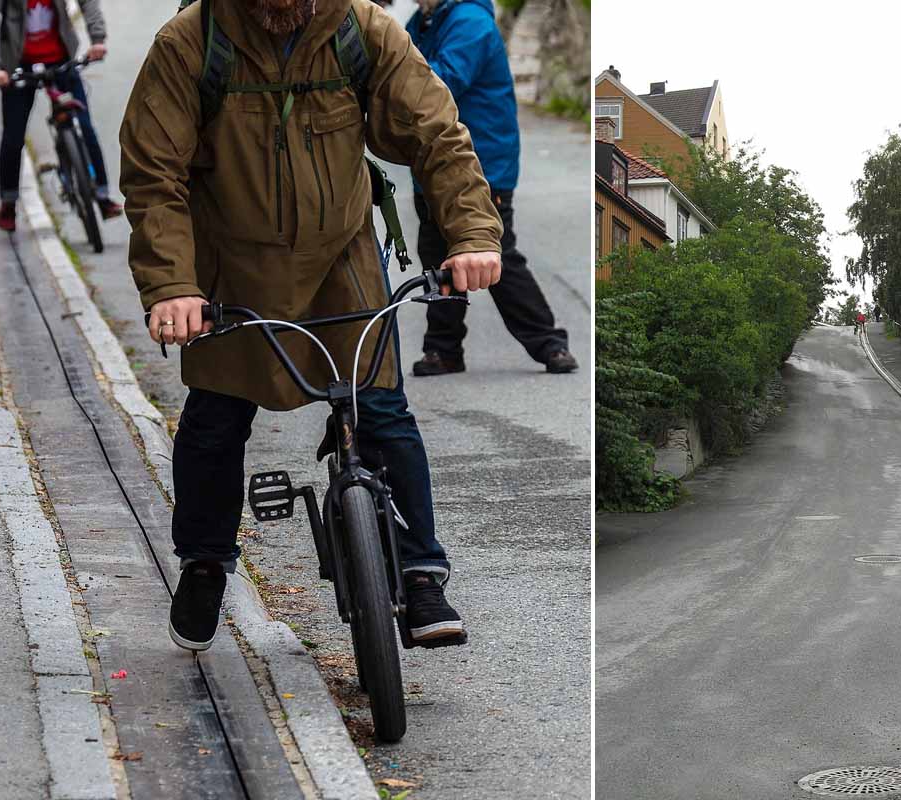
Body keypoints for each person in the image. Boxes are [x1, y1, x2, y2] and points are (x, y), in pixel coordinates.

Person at [120, 0, 502, 652]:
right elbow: (154, 173)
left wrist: (470, 235)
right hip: (232, 267)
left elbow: (437, 133)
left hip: (341, 258)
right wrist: (174, 288)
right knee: (216, 418)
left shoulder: (362, 31)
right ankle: (205, 562)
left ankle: (419, 572)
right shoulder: (192, 42)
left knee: (380, 410)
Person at [405, 0, 577, 377]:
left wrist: (384, 80)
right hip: (434, 165)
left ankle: (550, 343)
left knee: (497, 257)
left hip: (479, 166)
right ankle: (443, 350)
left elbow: (440, 82)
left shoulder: (469, 21)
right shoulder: (423, 21)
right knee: (437, 259)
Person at [0, 0, 123, 231]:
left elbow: (88, 3)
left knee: (85, 126)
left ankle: (102, 196)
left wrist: (98, 40)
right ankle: (9, 202)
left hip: (62, 60)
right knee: (13, 137)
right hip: (18, 65)